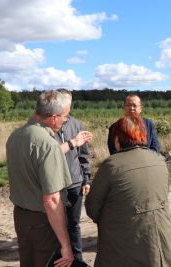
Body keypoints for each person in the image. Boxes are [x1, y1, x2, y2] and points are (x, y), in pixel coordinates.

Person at [85, 114, 171, 267]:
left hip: (123, 246)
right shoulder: (159, 160)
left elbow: (92, 208)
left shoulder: (112, 165)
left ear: (117, 139)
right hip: (160, 243)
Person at [6, 90, 74, 267]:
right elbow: (51, 199)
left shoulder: (15, 136)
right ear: (53, 117)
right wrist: (66, 245)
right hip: (43, 223)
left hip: (21, 218)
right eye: (65, 116)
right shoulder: (47, 144)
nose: (66, 120)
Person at [54, 89, 92, 267]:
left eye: (68, 102)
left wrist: (86, 179)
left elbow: (83, 156)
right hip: (54, 184)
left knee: (74, 224)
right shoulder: (49, 127)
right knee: (55, 224)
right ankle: (58, 258)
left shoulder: (77, 124)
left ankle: (77, 259)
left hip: (75, 182)